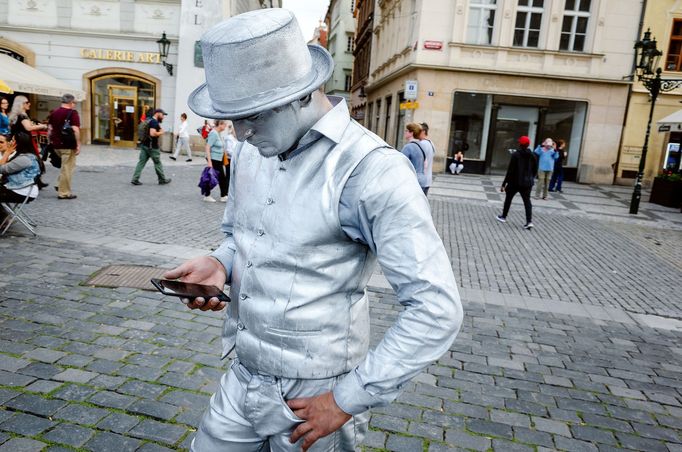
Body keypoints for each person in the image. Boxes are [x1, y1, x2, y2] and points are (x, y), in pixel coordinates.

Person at [164, 9, 462, 452]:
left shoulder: (372, 171)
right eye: (233, 118)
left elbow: (435, 309)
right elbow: (239, 235)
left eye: (254, 116)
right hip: (243, 373)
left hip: (317, 395)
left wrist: (347, 399)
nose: (241, 133)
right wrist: (220, 263)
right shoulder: (253, 151)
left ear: (302, 95)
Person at [497, 135, 537, 229]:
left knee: (508, 199)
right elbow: (535, 169)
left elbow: (510, 170)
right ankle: (529, 221)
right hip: (527, 183)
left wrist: (504, 184)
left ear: (520, 144)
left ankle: (503, 216)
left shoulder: (516, 155)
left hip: (515, 182)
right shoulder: (533, 155)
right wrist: (531, 177)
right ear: (528, 145)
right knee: (527, 202)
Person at [48, 94, 81, 200]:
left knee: (64, 167)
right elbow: (75, 130)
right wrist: (78, 144)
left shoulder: (54, 112)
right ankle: (64, 192)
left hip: (56, 144)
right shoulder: (73, 113)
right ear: (71, 102)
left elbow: (49, 129)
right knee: (68, 168)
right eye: (74, 103)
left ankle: (59, 185)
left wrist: (50, 141)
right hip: (68, 145)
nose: (74, 105)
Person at [131, 108, 172, 185]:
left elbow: (155, 128)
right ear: (158, 113)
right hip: (152, 148)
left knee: (141, 163)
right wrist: (161, 133)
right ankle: (162, 179)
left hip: (144, 146)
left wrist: (159, 128)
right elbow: (152, 133)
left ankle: (135, 179)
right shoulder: (154, 122)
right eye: (163, 115)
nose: (163, 117)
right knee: (157, 163)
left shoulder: (149, 120)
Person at [0, 134, 40, 205]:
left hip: (21, 191)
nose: (10, 143)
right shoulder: (24, 156)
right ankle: (5, 215)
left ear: (18, 143)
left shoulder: (24, 158)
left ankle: (5, 215)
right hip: (18, 187)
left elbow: (2, 169)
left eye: (12, 140)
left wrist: (7, 152)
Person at [203, 119, 228, 202]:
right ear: (220, 124)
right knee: (214, 177)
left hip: (218, 159)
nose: (226, 126)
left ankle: (223, 195)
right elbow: (207, 147)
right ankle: (208, 195)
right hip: (214, 159)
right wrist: (209, 162)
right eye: (225, 124)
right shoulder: (213, 133)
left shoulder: (218, 133)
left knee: (221, 177)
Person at [400, 122, 429, 195]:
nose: (405, 132)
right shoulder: (422, 145)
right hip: (423, 180)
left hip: (412, 181)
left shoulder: (408, 147)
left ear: (411, 133)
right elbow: (425, 165)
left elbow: (400, 165)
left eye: (406, 130)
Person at [418, 122, 435, 195]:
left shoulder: (422, 144)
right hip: (427, 180)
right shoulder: (431, 143)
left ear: (423, 132)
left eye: (418, 130)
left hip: (421, 180)